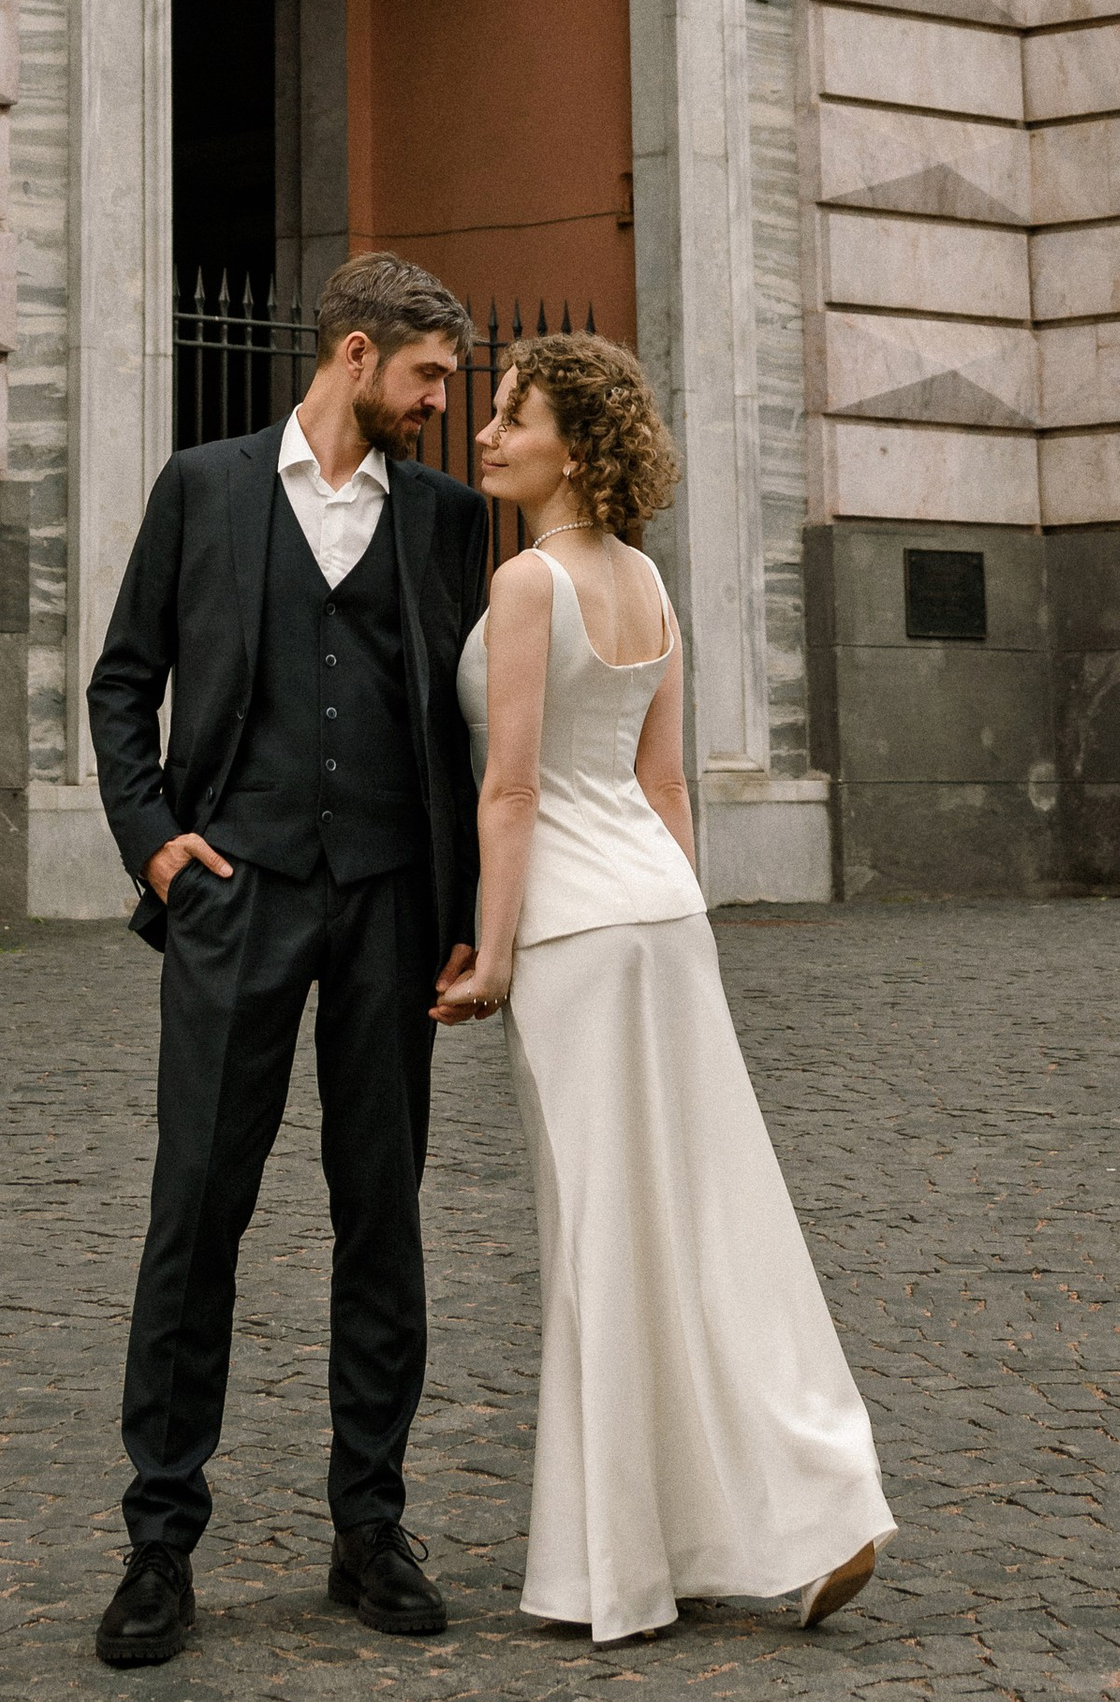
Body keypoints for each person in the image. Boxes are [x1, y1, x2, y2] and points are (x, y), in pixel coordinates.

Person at [441, 335, 895, 1644]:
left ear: (570, 447)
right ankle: (810, 1503)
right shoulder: (647, 581)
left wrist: (495, 956)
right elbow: (667, 786)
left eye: (511, 418)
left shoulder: (530, 583)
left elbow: (513, 790)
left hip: (579, 939)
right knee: (707, 1229)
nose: (487, 435)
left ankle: (619, 1570)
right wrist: (684, 921)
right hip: (662, 914)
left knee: (603, 1241)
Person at [86, 254, 493, 1669]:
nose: (447, 403)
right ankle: (159, 1542)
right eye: (430, 376)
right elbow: (122, 679)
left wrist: (473, 907)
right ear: (359, 352)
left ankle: (368, 1524)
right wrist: (154, 844)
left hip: (392, 899)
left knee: (382, 1208)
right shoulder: (203, 488)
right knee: (197, 1208)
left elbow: (468, 729)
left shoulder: (447, 521)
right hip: (237, 893)